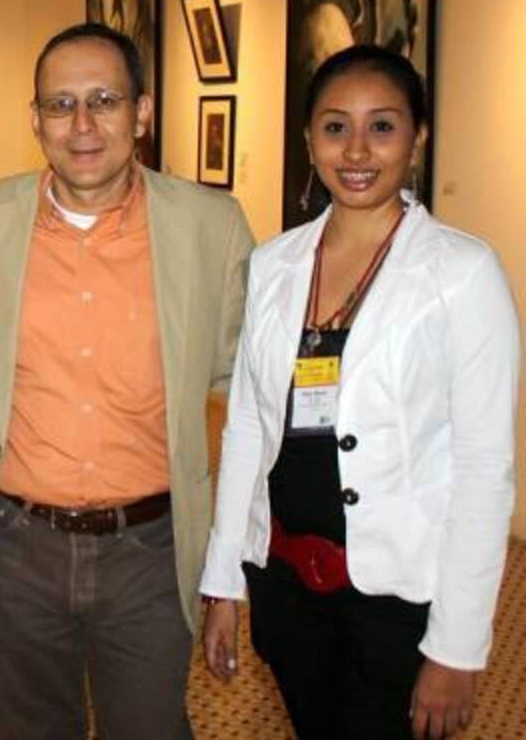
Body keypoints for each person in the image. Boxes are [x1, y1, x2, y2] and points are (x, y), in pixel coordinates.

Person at [0, 22, 255, 738]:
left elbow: (249, 388)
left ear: (142, 112)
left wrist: (234, 560)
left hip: (151, 551)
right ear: (34, 119)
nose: (82, 125)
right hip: (15, 547)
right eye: (59, 104)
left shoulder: (210, 226)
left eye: (103, 99)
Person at [200, 45, 518, 740]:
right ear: (309, 139)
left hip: (398, 599)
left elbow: (483, 470)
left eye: (383, 126)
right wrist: (225, 578)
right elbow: (250, 427)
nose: (357, 150)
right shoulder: (275, 263)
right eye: (336, 126)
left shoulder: (462, 273)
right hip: (286, 583)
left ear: (418, 137)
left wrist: (456, 645)